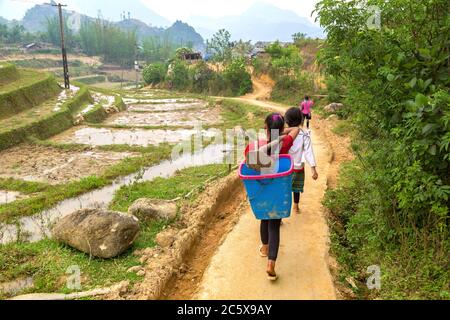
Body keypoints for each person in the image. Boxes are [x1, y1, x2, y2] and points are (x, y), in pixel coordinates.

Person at [244, 112, 300, 281]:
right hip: (278, 192)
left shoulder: (254, 146)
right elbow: (296, 129)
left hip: (261, 192)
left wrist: (270, 134)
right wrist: (280, 133)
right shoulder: (284, 144)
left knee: (264, 218)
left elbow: (247, 164)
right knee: (274, 225)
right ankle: (271, 264)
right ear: (282, 128)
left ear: (265, 127)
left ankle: (264, 248)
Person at [284, 107, 318, 214]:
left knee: (284, 190)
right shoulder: (305, 134)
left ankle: (283, 211)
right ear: (301, 120)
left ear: (287, 121)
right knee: (296, 189)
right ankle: (296, 207)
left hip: (285, 167)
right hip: (298, 167)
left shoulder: (283, 134)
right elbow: (309, 152)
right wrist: (313, 169)